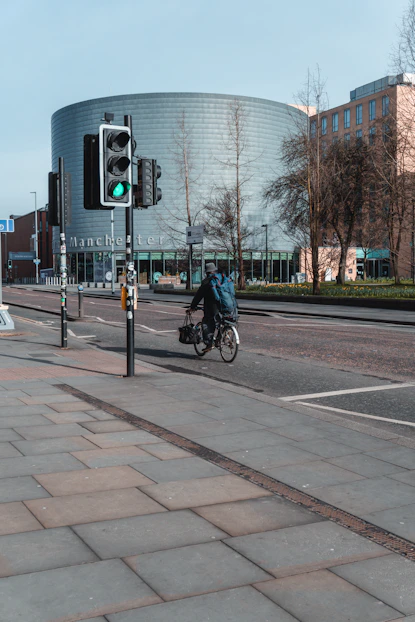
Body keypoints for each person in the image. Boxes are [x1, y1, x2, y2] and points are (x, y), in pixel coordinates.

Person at [187, 263, 221, 353]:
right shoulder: (222, 279)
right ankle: (222, 336)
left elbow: (198, 296)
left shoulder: (207, 282)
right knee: (221, 322)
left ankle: (209, 343)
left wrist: (192, 307)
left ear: (206, 272)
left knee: (206, 323)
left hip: (212, 308)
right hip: (226, 306)